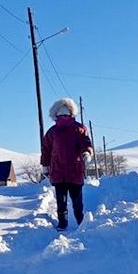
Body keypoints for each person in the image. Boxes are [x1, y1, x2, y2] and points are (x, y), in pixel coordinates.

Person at [41, 98, 94, 231]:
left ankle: (81, 222)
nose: (64, 116)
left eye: (66, 114)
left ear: (71, 113)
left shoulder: (79, 129)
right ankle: (62, 223)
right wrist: (45, 165)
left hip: (74, 170)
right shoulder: (52, 132)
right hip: (58, 171)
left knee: (77, 201)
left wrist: (87, 152)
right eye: (61, 114)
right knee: (61, 201)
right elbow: (46, 150)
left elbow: (85, 143)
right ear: (56, 115)